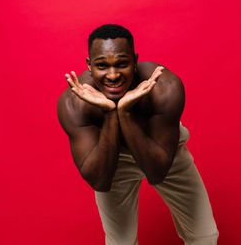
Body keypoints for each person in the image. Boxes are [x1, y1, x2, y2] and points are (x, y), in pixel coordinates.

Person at [57, 24, 219, 245]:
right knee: (120, 242)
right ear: (89, 65)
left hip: (162, 150)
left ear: (134, 61)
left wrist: (124, 113)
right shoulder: (74, 103)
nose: (112, 75)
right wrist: (110, 113)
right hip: (111, 158)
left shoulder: (165, 88)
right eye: (102, 65)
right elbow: (100, 180)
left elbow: (157, 172)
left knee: (205, 236)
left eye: (121, 64)